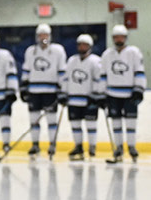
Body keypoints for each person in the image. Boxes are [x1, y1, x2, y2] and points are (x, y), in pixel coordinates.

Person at [99, 23, 145, 163]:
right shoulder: (107, 54)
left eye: (121, 37)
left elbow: (139, 71)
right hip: (112, 94)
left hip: (129, 93)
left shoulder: (134, 52)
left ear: (125, 37)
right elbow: (103, 75)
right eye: (116, 37)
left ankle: (131, 147)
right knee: (116, 122)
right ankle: (118, 147)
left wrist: (139, 88)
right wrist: (102, 94)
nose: (119, 39)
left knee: (131, 121)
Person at [21, 23, 66, 159]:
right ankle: (35, 144)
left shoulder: (58, 50)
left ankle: (52, 144)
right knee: (34, 119)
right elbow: (26, 70)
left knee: (52, 120)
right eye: (41, 35)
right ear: (37, 36)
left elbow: (62, 71)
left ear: (50, 36)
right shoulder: (30, 51)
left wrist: (62, 88)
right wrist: (24, 86)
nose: (43, 37)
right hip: (34, 91)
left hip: (50, 91)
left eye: (45, 35)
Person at [61, 33, 103, 161]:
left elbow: (98, 79)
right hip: (73, 98)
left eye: (84, 45)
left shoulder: (96, 61)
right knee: (75, 124)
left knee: (91, 124)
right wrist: (64, 93)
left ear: (90, 46)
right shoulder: (71, 60)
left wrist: (96, 94)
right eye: (79, 44)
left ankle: (92, 147)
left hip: (89, 99)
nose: (81, 47)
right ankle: (78, 146)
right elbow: (66, 78)